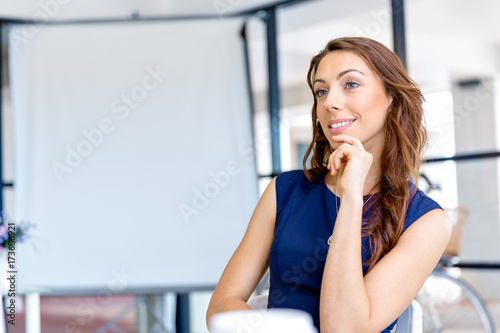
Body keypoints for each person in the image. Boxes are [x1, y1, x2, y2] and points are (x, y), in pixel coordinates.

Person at [206, 37, 451, 332]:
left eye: (350, 84)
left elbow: (344, 329)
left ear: (392, 99)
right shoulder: (284, 191)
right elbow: (221, 306)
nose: (329, 102)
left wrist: (351, 199)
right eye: (321, 91)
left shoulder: (427, 222)